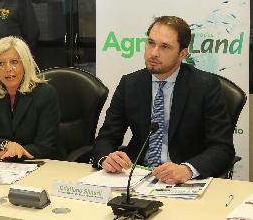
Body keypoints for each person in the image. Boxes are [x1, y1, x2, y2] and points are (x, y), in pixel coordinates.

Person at [92, 16, 234, 184]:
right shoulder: (130, 84)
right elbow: (106, 137)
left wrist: (188, 169)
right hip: (136, 176)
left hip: (182, 179)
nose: (154, 53)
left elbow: (222, 148)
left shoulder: (205, 86)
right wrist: (107, 158)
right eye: (151, 43)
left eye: (165, 46)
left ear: (182, 54)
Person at [0, 36, 60, 160]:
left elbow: (44, 147)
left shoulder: (45, 94)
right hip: (10, 169)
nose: (8, 69)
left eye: (14, 62)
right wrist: (7, 145)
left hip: (45, 164)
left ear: (25, 64)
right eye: (1, 63)